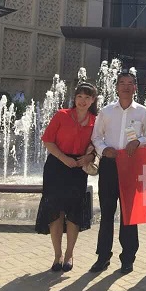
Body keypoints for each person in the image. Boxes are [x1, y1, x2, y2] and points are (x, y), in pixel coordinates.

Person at [90, 72, 146, 275]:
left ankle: (128, 258)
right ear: (117, 87)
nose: (126, 86)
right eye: (122, 83)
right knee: (107, 212)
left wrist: (139, 142)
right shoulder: (106, 111)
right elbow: (96, 137)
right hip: (109, 165)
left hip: (132, 165)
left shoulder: (143, 112)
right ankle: (103, 256)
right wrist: (103, 150)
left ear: (135, 87)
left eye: (130, 83)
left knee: (129, 214)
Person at [36, 82, 98, 272]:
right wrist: (64, 159)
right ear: (75, 98)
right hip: (56, 166)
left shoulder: (95, 121)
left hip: (78, 169)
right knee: (56, 212)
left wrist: (89, 157)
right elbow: (47, 140)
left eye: (87, 97)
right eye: (79, 96)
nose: (82, 101)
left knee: (73, 213)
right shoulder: (61, 115)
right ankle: (58, 255)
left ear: (93, 100)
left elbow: (97, 145)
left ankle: (70, 254)